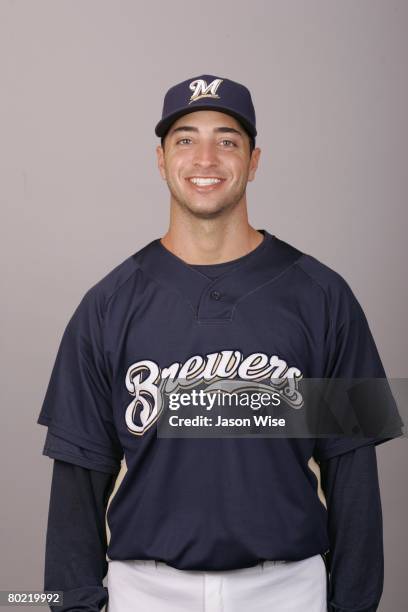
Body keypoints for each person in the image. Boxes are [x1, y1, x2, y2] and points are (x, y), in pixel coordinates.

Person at [37, 74, 403, 612]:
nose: (205, 157)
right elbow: (78, 480)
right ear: (161, 160)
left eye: (227, 140)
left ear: (254, 160)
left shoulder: (324, 295)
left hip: (288, 588)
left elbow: (353, 474)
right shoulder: (107, 304)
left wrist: (352, 606)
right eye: (185, 139)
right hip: (146, 589)